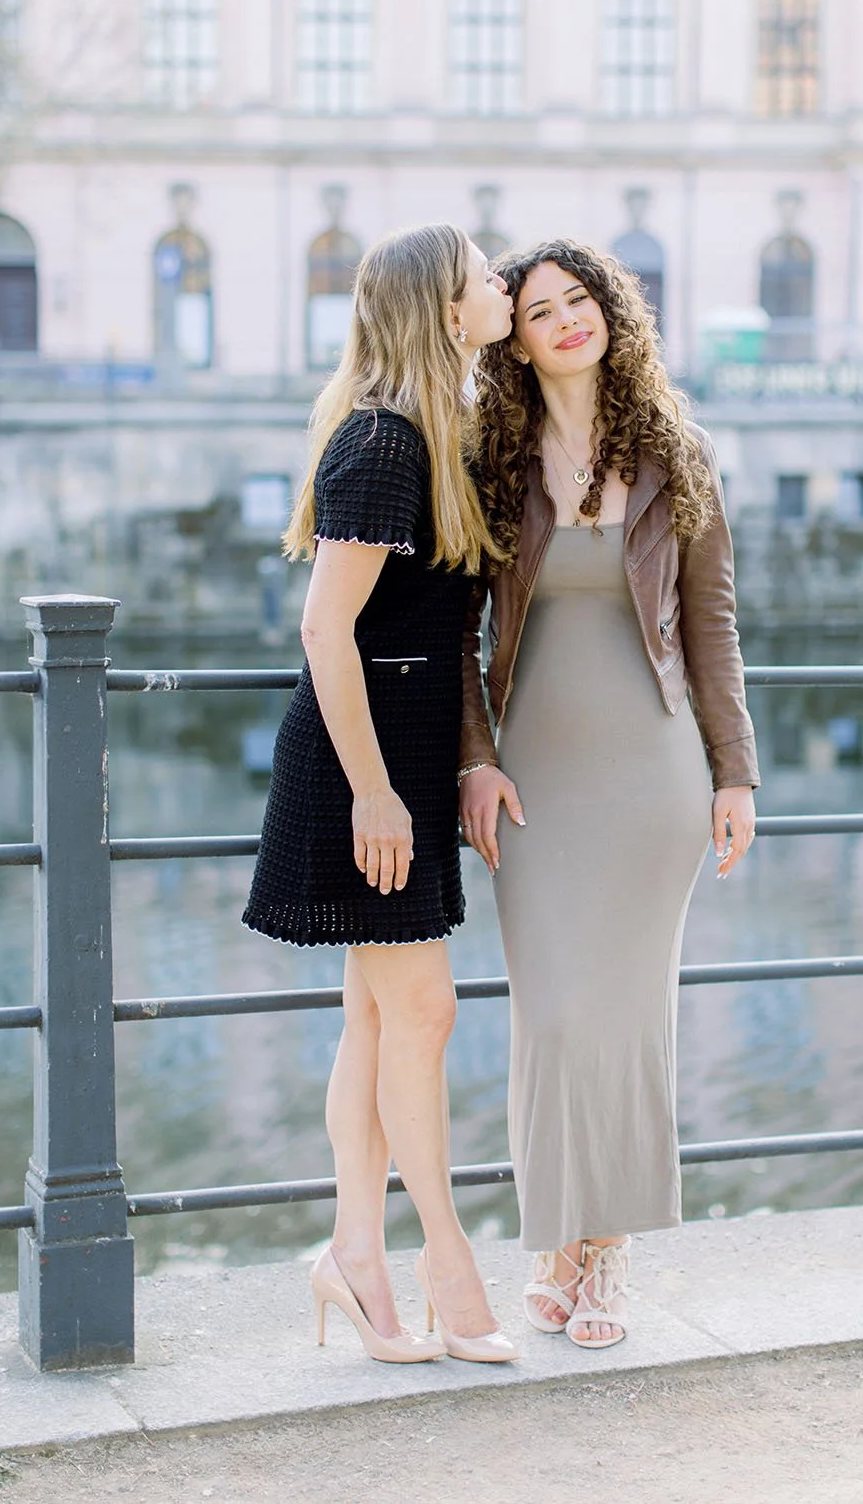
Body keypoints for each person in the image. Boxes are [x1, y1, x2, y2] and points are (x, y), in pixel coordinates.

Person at [459, 238, 759, 1350]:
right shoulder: (489, 458)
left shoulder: (677, 449)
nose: (566, 321)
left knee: (627, 1017)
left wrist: (734, 771)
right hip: (533, 778)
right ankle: (556, 1234)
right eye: (539, 310)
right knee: (553, 1016)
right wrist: (473, 758)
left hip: (653, 772)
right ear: (516, 340)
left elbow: (712, 622)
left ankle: (601, 1254)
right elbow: (453, 635)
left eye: (579, 299)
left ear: (611, 312)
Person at [244, 223, 518, 1365]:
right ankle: (446, 1261)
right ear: (445, 309)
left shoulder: (431, 429)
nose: (502, 283)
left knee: (376, 1016)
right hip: (363, 771)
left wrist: (427, 772)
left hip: (399, 760)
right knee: (422, 1013)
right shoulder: (381, 441)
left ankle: (354, 1256)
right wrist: (373, 793)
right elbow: (325, 628)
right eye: (484, 274)